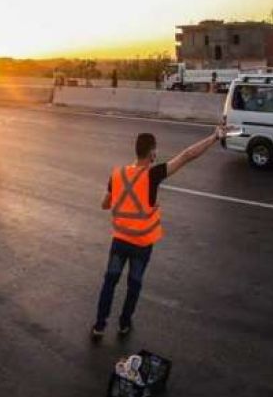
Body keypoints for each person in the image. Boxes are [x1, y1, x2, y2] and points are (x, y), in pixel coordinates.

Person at [91, 126, 226, 338]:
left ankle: (99, 326)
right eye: (156, 150)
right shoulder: (153, 175)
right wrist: (215, 137)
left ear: (136, 151)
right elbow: (187, 156)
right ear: (152, 153)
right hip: (142, 245)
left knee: (110, 282)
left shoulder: (117, 174)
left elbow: (104, 204)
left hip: (119, 242)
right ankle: (124, 324)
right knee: (133, 285)